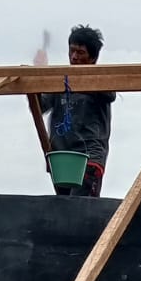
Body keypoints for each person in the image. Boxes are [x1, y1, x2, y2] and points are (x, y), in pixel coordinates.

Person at [37, 25, 115, 196]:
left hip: (89, 157)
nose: (74, 57)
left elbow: (110, 94)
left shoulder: (100, 81)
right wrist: (38, 77)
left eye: (80, 53)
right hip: (62, 159)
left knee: (79, 208)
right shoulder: (60, 81)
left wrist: (76, 79)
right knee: (67, 211)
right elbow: (39, 106)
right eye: (72, 51)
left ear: (93, 58)